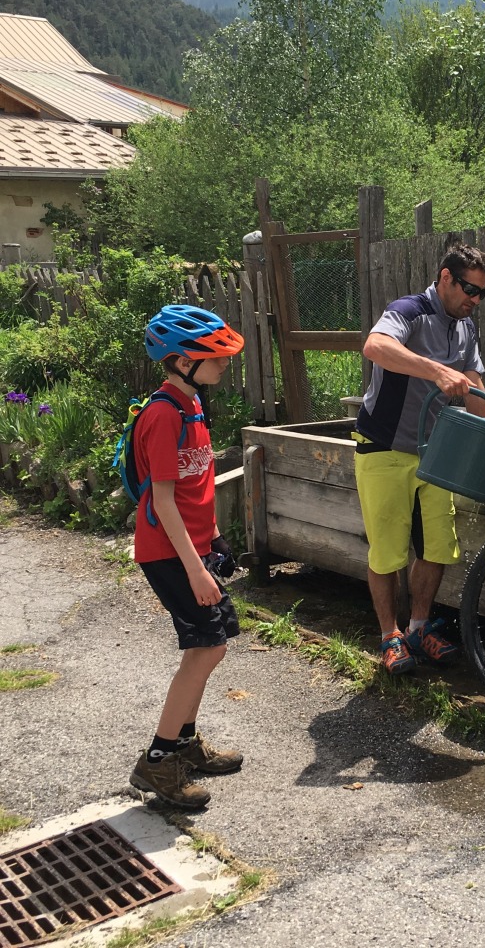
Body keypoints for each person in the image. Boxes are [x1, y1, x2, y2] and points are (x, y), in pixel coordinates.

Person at [354, 242, 485, 674]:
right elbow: (375, 347)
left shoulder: (465, 327)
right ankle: (389, 637)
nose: (474, 299)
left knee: (436, 546)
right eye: (470, 289)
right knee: (387, 552)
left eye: (482, 293)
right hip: (384, 446)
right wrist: (435, 370)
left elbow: (474, 385)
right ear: (445, 277)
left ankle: (418, 628)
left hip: (436, 452)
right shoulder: (408, 310)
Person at [128, 304, 246, 809]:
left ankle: (184, 744)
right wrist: (195, 568)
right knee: (206, 649)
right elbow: (161, 501)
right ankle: (157, 763)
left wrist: (214, 538)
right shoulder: (161, 415)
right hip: (168, 553)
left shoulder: (193, 405)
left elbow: (197, 486)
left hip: (194, 547)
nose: (224, 362)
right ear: (179, 360)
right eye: (213, 355)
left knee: (211, 646)